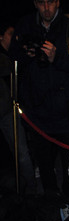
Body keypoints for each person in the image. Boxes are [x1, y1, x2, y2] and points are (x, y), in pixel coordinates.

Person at [9, 0, 69, 200]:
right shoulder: (26, 25)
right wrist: (26, 55)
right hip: (37, 114)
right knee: (45, 170)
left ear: (58, 2)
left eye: (50, 2)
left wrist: (57, 58)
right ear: (35, 3)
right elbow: (14, 56)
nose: (46, 8)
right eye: (41, 3)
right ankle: (50, 211)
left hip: (66, 115)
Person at [0, 21, 36, 195]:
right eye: (10, 35)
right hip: (6, 110)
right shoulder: (6, 57)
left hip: (8, 111)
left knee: (21, 154)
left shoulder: (13, 57)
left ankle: (30, 191)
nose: (14, 39)